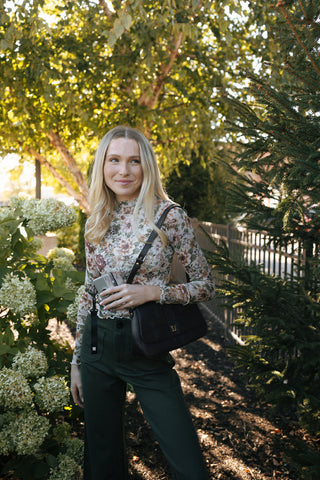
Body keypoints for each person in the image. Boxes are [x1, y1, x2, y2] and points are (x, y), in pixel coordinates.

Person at [71, 125, 215, 480]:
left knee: (188, 464)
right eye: (115, 160)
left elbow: (205, 285)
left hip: (145, 347)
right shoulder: (96, 218)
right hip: (96, 349)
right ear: (102, 166)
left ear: (146, 166)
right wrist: (76, 359)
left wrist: (153, 293)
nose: (124, 171)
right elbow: (88, 292)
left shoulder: (170, 216)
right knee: (102, 462)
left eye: (134, 161)